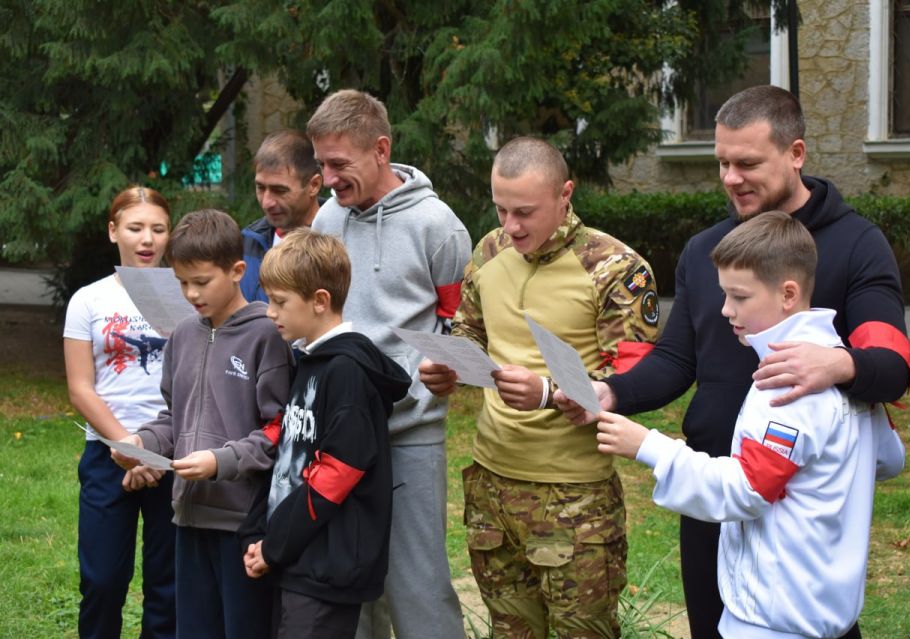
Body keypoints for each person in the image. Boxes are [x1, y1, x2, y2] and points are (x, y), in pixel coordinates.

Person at [556, 85, 910, 638]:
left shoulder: (857, 244)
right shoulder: (708, 251)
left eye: (747, 163)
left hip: (799, 505)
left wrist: (839, 364)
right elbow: (677, 359)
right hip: (711, 486)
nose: (730, 178)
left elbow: (892, 366)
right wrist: (613, 393)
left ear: (796, 153)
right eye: (721, 162)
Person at [597, 211, 905, 638]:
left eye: (739, 297)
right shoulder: (840, 365)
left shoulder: (786, 387)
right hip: (824, 609)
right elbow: (889, 457)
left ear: (788, 294)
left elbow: (746, 490)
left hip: (773, 618)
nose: (725, 310)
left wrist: (648, 446)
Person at [420, 136, 660, 638]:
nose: (511, 226)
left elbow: (633, 382)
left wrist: (549, 392)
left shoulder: (615, 268)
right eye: (501, 209)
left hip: (574, 497)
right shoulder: (489, 250)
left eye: (525, 212)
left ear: (565, 194)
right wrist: (448, 367)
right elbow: (468, 330)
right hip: (491, 484)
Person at [308, 88, 471, 639]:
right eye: (321, 164)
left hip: (409, 433)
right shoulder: (328, 218)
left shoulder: (438, 225)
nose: (328, 178)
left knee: (417, 584)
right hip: (339, 432)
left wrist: (438, 381)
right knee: (352, 584)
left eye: (338, 163)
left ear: (380, 150)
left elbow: (459, 324)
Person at [114, 209, 293, 639]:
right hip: (188, 516)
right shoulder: (182, 336)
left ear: (237, 271)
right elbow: (174, 418)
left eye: (201, 281)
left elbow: (281, 430)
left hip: (243, 524)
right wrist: (141, 442)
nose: (191, 294)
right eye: (181, 282)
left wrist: (220, 461)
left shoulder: (266, 335)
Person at [238, 228, 412, 638]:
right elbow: (287, 455)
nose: (269, 313)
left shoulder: (347, 372)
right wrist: (258, 531)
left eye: (280, 302)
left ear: (320, 301)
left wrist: (275, 544)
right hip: (293, 560)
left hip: (325, 569)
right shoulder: (309, 361)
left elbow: (336, 474)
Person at [64, 186, 176, 638]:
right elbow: (80, 387)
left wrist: (151, 450)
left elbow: (198, 381)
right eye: (135, 228)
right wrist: (127, 446)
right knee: (102, 580)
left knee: (168, 586)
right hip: (107, 454)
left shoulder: (187, 296)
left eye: (158, 229)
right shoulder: (88, 300)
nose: (146, 239)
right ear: (114, 232)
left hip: (171, 455)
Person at [241, 129, 324, 303]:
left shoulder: (340, 242)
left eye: (280, 190)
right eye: (260, 188)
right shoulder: (246, 244)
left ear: (314, 185)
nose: (266, 202)